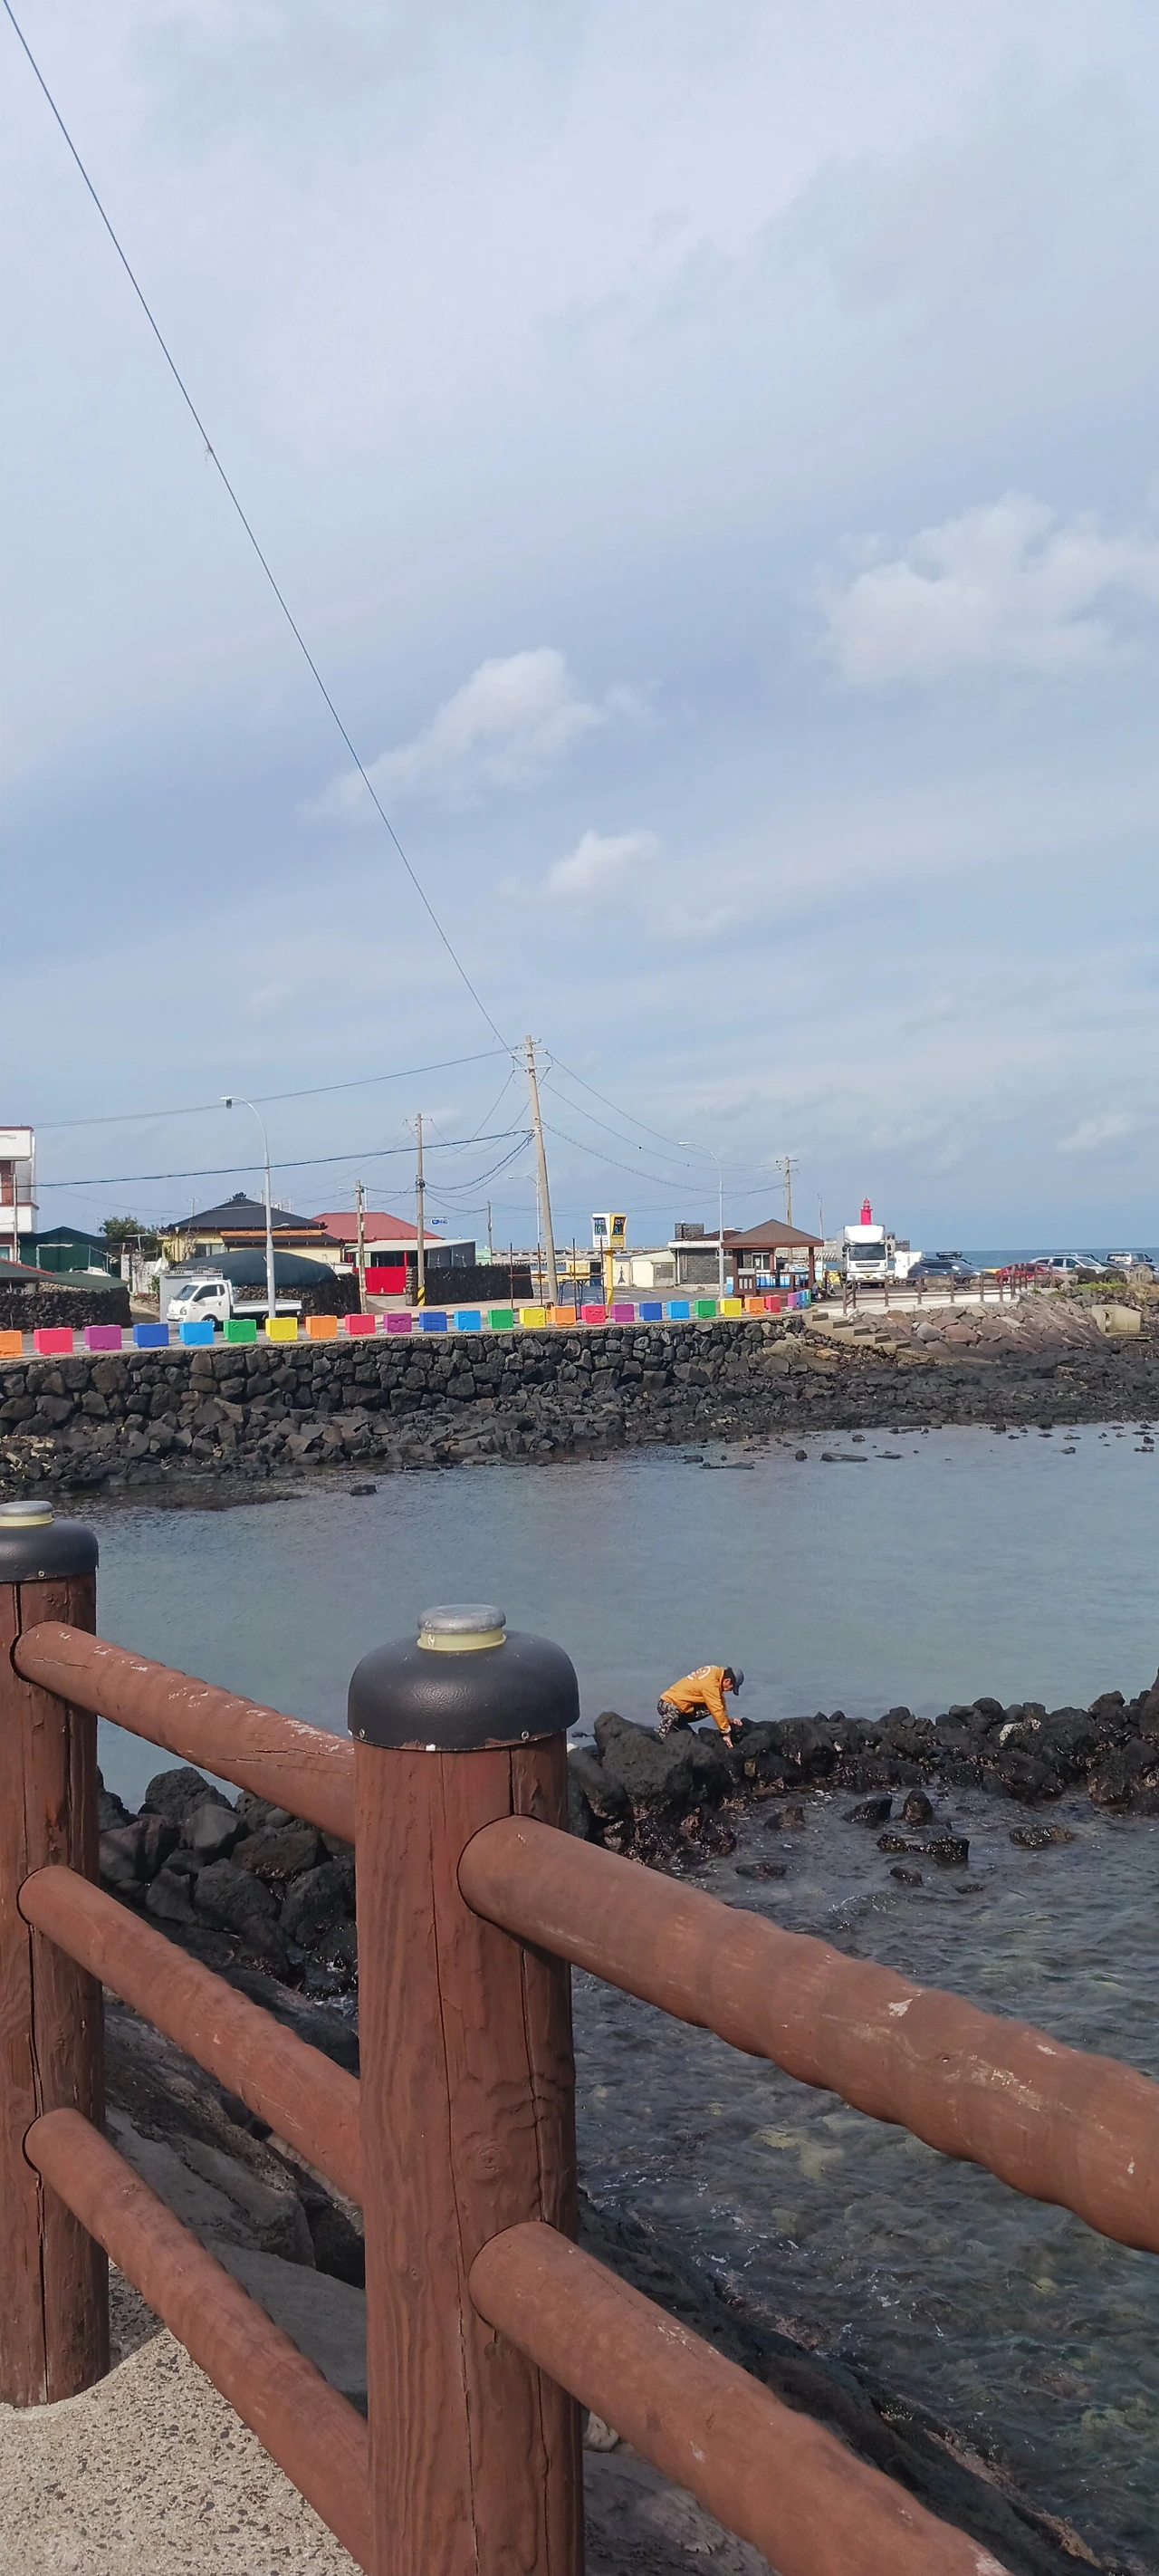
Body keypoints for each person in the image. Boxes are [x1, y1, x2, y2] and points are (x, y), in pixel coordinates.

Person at [656, 1665, 743, 1746]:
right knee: (674, 1712)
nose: (729, 1690)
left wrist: (727, 1721)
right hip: (666, 1703)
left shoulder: (715, 1672)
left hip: (683, 1707)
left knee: (709, 1708)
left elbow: (719, 1702)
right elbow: (716, 1708)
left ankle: (679, 1723)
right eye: (731, 1688)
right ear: (727, 1681)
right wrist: (726, 1733)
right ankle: (661, 1734)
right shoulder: (711, 1684)